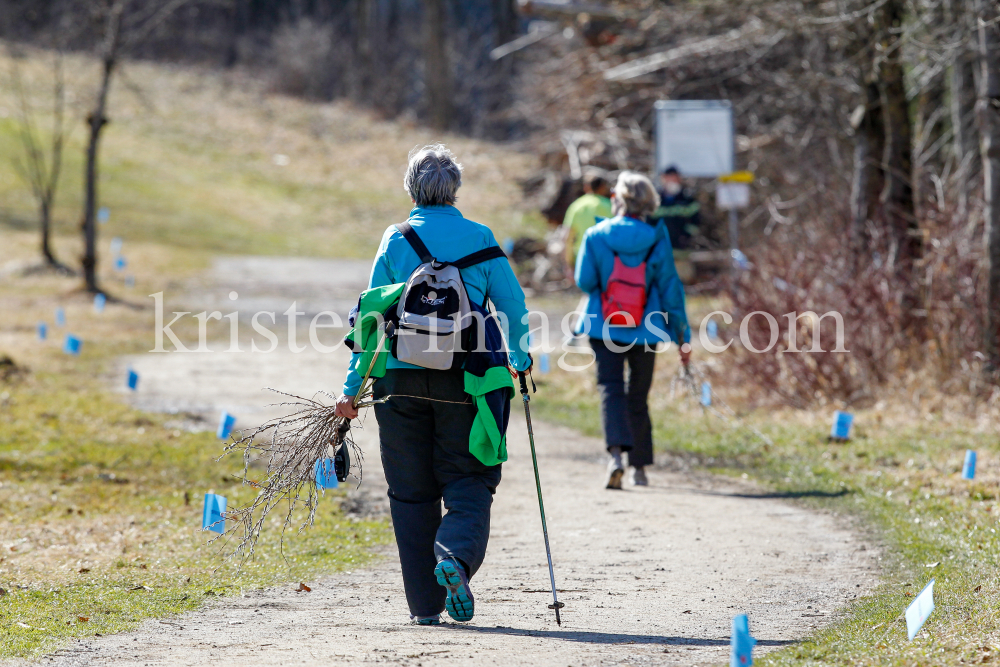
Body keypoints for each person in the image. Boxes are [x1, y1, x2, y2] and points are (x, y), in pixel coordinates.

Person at [334, 144, 532, 626]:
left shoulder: (395, 239)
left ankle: (425, 607)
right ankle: (456, 560)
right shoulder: (481, 237)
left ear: (411, 188)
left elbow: (370, 315)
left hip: (397, 383)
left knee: (410, 492)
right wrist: (521, 361)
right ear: (456, 189)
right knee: (470, 478)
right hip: (470, 381)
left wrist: (352, 386)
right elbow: (513, 307)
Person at [574, 171, 691, 489]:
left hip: (603, 326)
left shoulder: (597, 234)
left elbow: (585, 281)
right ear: (648, 202)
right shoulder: (656, 235)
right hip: (647, 328)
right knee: (637, 396)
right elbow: (670, 288)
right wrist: (683, 336)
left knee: (611, 389)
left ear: (618, 199)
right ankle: (639, 468)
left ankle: (615, 457)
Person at [562, 167, 613, 268]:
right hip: (606, 260)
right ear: (602, 187)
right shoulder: (610, 206)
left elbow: (567, 237)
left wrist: (568, 265)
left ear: (586, 187)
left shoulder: (576, 206)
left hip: (582, 259)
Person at [652, 165, 701, 251]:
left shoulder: (687, 199)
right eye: (669, 178)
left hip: (682, 248)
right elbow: (650, 221)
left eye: (674, 178)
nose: (671, 181)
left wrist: (686, 236)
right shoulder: (656, 199)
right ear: (663, 179)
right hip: (660, 248)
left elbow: (696, 221)